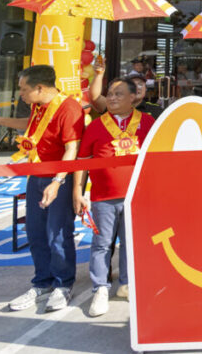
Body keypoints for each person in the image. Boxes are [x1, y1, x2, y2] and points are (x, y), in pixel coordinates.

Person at [0, 65, 85, 312]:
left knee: (58, 234)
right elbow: (30, 125)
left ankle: (63, 284)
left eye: (23, 89)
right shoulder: (38, 106)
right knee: (36, 232)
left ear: (40, 88)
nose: (20, 94)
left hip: (58, 179)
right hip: (35, 176)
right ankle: (42, 282)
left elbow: (72, 148)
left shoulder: (69, 108)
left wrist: (57, 182)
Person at [73, 78, 154, 317]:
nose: (112, 98)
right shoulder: (95, 126)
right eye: (110, 94)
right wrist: (78, 191)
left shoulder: (148, 122)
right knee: (101, 244)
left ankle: (127, 284)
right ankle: (100, 288)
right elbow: (82, 162)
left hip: (136, 197)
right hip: (103, 197)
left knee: (131, 243)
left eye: (119, 94)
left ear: (133, 97)